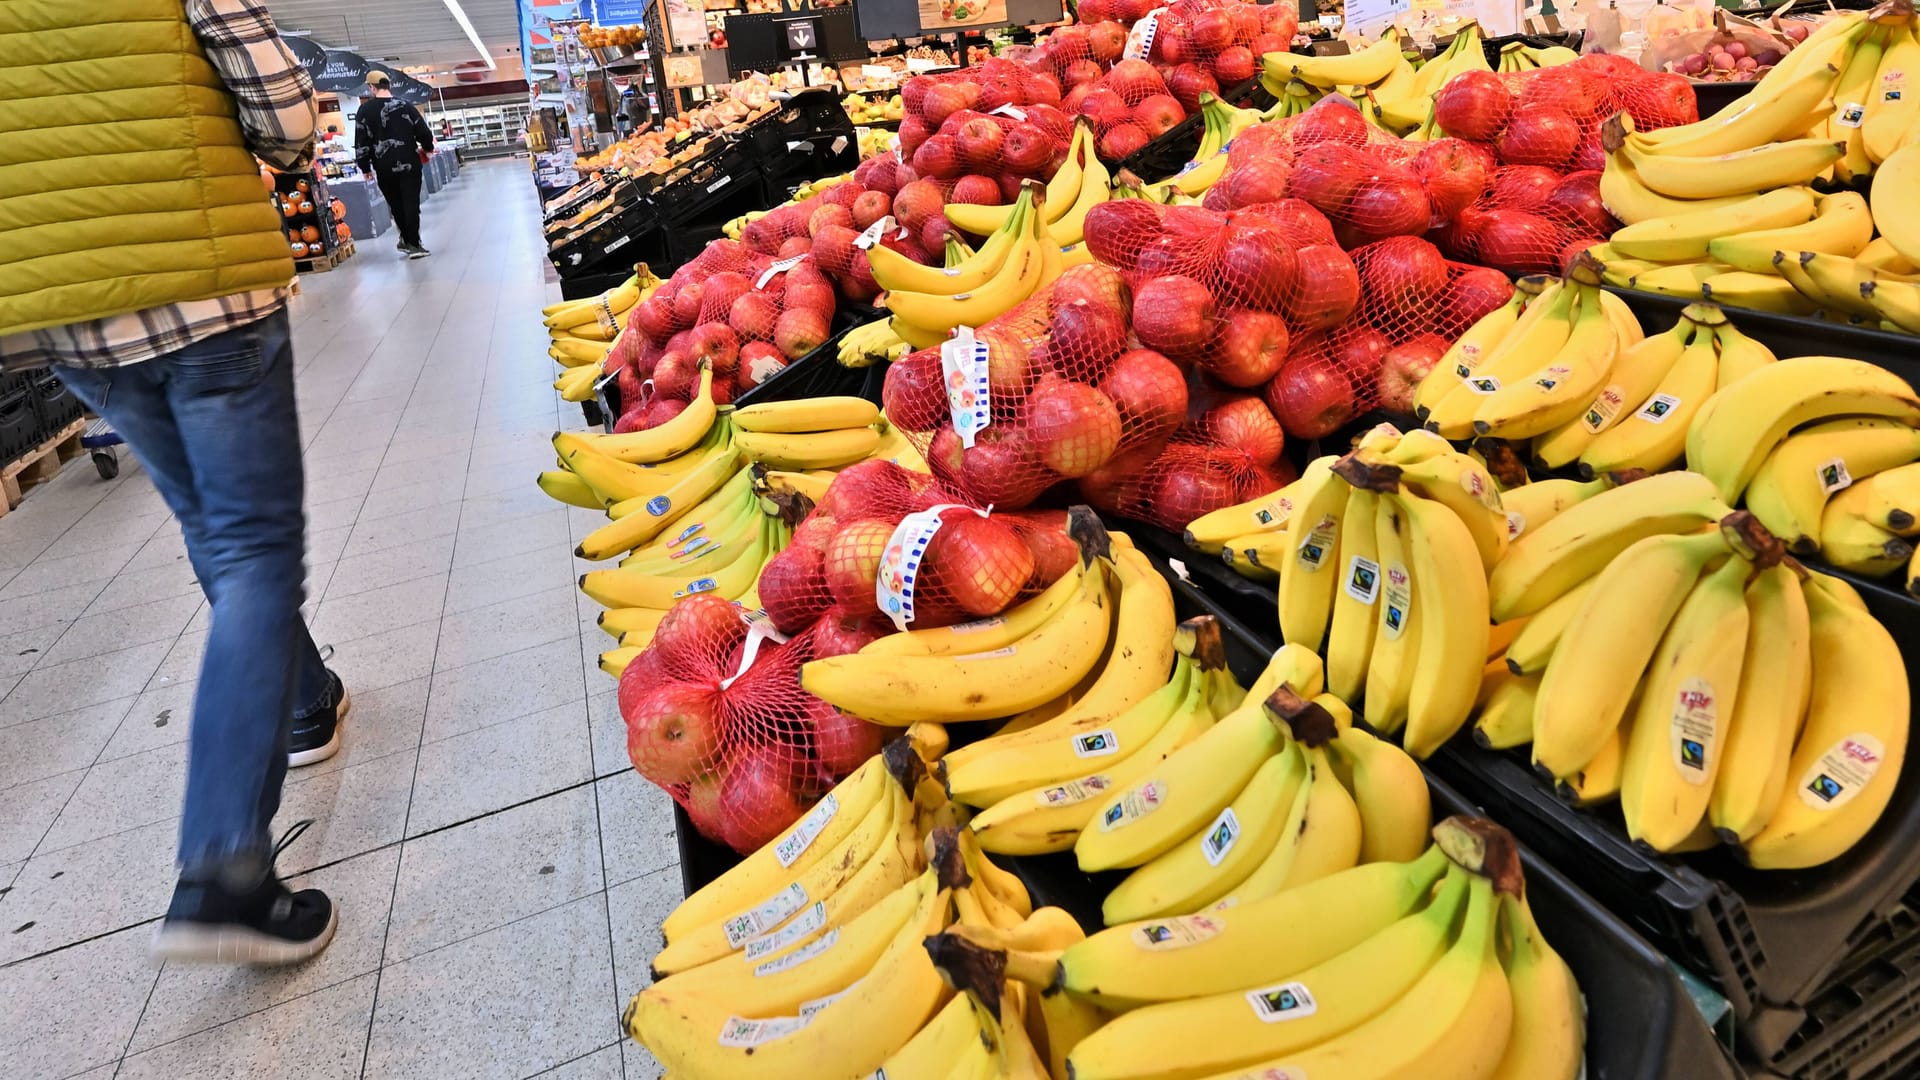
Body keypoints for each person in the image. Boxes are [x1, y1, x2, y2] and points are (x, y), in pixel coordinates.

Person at [0, 0, 349, 965]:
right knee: (253, 556)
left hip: (61, 314)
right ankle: (224, 865)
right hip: (203, 293)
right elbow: (284, 120)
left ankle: (307, 695)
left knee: (215, 534)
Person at [354, 70, 436, 259]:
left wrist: (364, 167)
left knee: (396, 204)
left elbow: (361, 141)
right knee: (411, 202)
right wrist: (428, 148)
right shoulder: (405, 105)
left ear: (371, 87)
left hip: (384, 165)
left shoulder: (364, 110)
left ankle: (407, 240)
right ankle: (413, 243)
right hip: (409, 161)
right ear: (388, 85)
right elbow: (423, 131)